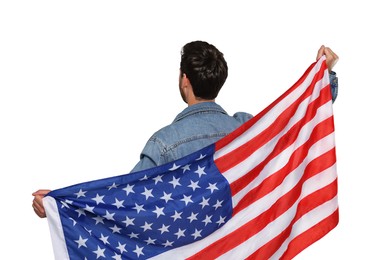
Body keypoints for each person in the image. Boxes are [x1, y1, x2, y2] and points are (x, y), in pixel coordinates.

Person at [32, 41, 339, 218]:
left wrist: (61, 207)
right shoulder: (247, 131)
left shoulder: (164, 143)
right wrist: (325, 76)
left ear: (184, 80)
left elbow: (125, 203)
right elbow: (300, 125)